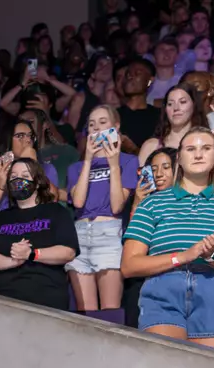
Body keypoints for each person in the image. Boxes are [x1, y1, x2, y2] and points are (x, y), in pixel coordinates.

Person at [123, 127, 214, 348]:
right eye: (191, 149)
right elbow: (129, 265)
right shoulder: (152, 203)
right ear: (179, 159)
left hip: (213, 291)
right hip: (163, 288)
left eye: (206, 148)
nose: (199, 154)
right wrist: (182, 256)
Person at [67, 104, 137, 323]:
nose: (96, 128)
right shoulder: (76, 167)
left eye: (103, 122)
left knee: (109, 317)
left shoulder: (128, 161)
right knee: (84, 317)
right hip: (80, 234)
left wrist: (113, 163)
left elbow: (117, 206)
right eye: (91, 124)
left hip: (109, 235)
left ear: (116, 127)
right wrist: (88, 159)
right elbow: (78, 201)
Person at [0, 156, 79, 309]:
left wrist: (32, 254)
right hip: (5, 300)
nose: (18, 180)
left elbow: (68, 252)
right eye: (13, 177)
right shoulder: (0, 218)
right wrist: (13, 262)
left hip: (47, 300)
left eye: (25, 176)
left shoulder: (56, 212)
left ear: (38, 182)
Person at [139, 82, 208, 164]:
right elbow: (140, 176)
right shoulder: (151, 146)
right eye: (170, 104)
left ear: (194, 105)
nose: (176, 108)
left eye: (182, 102)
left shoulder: (206, 144)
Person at [117, 58, 164, 148]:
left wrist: (133, 149)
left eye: (137, 73)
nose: (130, 77)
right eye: (128, 74)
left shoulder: (158, 117)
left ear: (150, 81)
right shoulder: (114, 115)